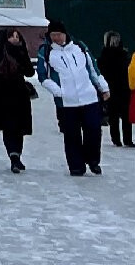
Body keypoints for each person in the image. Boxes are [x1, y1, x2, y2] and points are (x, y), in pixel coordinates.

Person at [38, 18, 110, 176]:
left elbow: (93, 68)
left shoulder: (79, 47)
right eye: (53, 35)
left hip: (88, 97)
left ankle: (93, 160)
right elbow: (43, 76)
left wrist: (102, 87)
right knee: (72, 135)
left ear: (65, 33)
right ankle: (76, 165)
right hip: (67, 102)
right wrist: (58, 91)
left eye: (58, 34)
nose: (56, 38)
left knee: (94, 130)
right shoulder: (46, 51)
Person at [0, 27, 36, 172]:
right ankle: (13, 157)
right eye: (12, 36)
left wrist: (23, 55)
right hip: (1, 96)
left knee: (19, 127)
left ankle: (16, 156)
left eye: (17, 36)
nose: (15, 39)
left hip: (20, 95)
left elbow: (30, 72)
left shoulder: (21, 52)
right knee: (9, 127)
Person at [98, 31, 135, 147]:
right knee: (126, 115)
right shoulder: (125, 56)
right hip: (124, 88)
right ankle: (128, 140)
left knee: (113, 114)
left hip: (110, 88)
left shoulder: (103, 56)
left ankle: (116, 139)